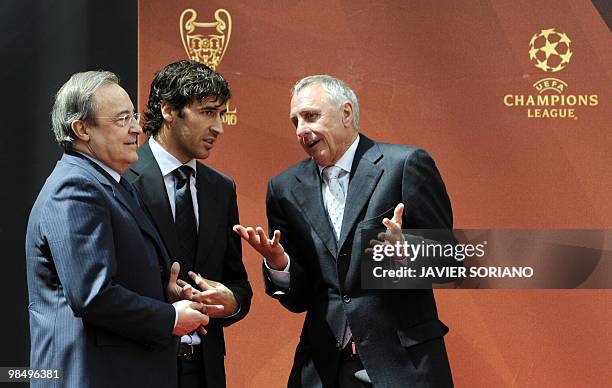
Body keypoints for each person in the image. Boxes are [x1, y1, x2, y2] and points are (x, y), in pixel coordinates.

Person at [234, 75, 454, 387]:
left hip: (401, 365)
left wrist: (409, 253)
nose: (301, 130)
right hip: (323, 369)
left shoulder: (405, 164)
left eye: (311, 116)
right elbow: (300, 298)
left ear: (346, 113)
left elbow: (448, 262)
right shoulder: (283, 188)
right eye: (295, 121)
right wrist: (280, 265)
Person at [25, 70, 211, 388]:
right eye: (122, 119)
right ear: (82, 129)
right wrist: (171, 318)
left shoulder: (112, 184)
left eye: (135, 117)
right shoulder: (75, 188)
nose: (138, 129)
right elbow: (92, 296)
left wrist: (162, 292)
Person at [124, 60, 252, 388]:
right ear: (169, 110)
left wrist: (231, 302)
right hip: (140, 366)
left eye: (221, 114)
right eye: (208, 112)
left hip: (205, 370)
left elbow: (237, 283)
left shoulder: (221, 189)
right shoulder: (122, 181)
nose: (219, 127)